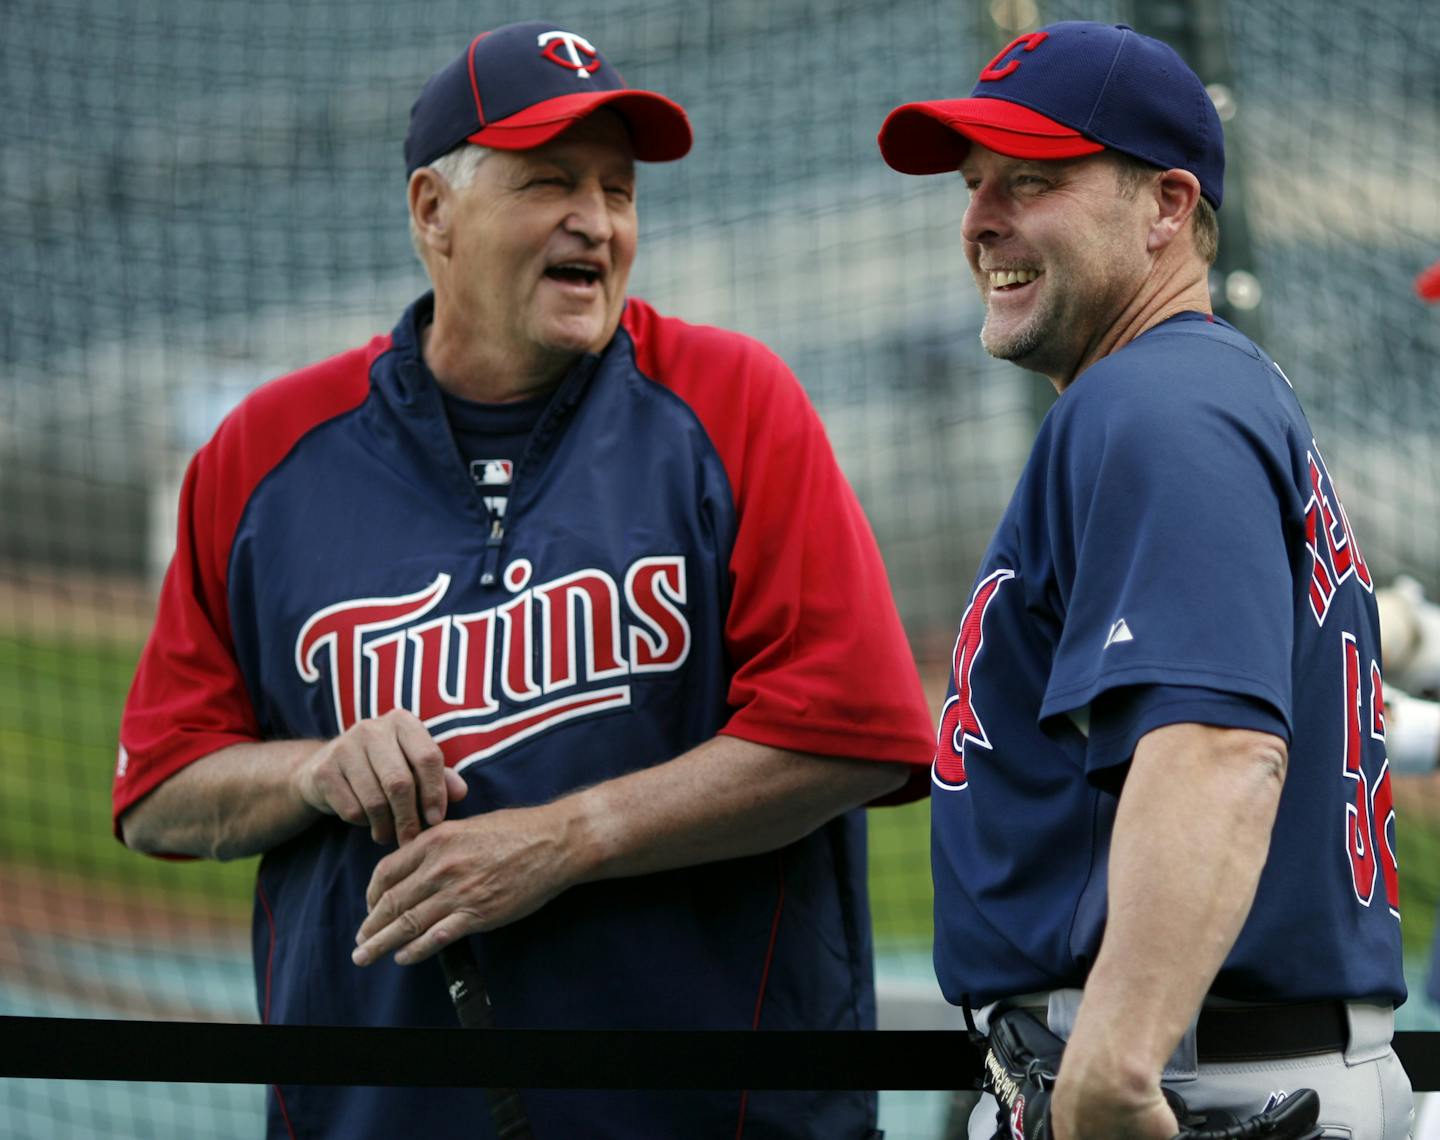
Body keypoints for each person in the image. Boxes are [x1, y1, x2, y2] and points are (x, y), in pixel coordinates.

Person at [114, 21, 935, 1140]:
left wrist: (568, 839)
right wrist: (314, 771)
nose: (595, 220)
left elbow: (856, 731)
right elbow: (160, 787)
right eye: (550, 181)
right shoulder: (264, 454)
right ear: (432, 213)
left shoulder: (734, 404)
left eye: (618, 190)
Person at [876, 20, 1412, 1140]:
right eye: (976, 185)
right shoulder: (1201, 394)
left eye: (1031, 181)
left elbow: (1218, 748)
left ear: (1169, 205)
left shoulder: (1156, 405)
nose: (981, 220)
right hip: (1246, 1068)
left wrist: (1113, 1071)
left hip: (1189, 1085)